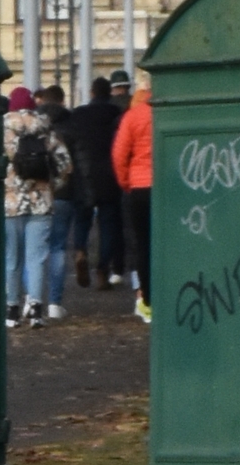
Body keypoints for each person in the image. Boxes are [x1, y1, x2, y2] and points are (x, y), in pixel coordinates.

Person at [1, 88, 71, 330]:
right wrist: (51, 186)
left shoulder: (3, 129)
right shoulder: (46, 128)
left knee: (11, 259)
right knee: (37, 258)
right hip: (41, 203)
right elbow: (64, 164)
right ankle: (36, 310)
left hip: (10, 204)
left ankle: (11, 311)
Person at [60, 75, 127, 289]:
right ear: (109, 93)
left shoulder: (78, 115)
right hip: (110, 176)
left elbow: (68, 143)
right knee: (108, 225)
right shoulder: (116, 115)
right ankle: (102, 269)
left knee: (83, 220)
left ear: (91, 93)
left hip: (84, 176)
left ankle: (80, 250)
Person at [112, 72, 155, 323]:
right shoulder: (163, 113)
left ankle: (148, 298)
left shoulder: (132, 116)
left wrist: (125, 182)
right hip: (166, 186)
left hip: (138, 186)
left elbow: (119, 155)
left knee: (142, 243)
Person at [37, 84, 78, 320]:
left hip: (36, 193)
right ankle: (54, 302)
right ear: (62, 101)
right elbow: (73, 164)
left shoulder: (33, 126)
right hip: (63, 194)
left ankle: (32, 301)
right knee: (58, 246)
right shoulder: (71, 123)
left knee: (33, 251)